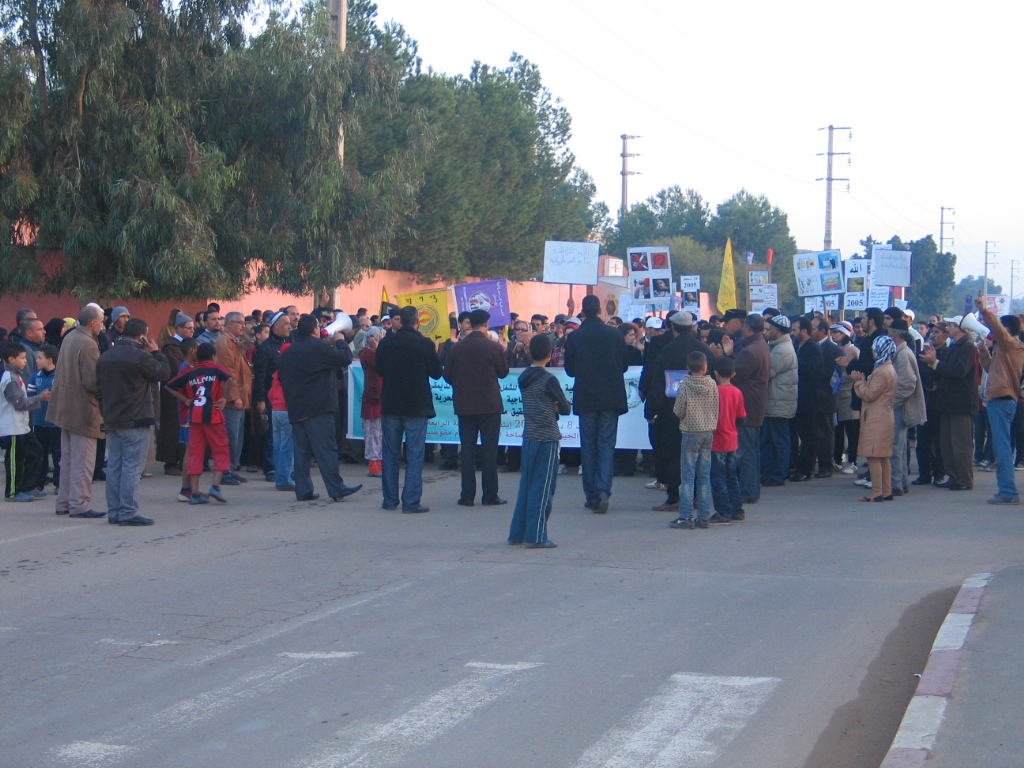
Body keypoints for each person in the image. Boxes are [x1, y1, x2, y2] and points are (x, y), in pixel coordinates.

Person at [277, 315, 362, 503]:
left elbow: (281, 377)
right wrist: (340, 342)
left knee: (301, 452)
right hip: (319, 407)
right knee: (326, 450)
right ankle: (336, 488)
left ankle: (303, 490)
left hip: (297, 408)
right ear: (315, 329)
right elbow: (346, 358)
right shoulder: (320, 347)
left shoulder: (289, 351)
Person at [96, 318, 171, 525]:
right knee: (131, 467)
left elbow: (99, 389)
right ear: (142, 336)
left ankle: (114, 511)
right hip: (136, 418)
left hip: (113, 418)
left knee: (115, 466)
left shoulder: (105, 357)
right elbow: (164, 372)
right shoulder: (141, 356)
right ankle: (128, 512)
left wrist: (105, 412)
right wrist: (156, 351)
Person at [563, 295, 628, 514]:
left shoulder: (575, 337)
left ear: (583, 311)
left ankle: (591, 495)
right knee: (606, 444)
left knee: (588, 445)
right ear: (600, 310)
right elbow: (624, 365)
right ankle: (603, 492)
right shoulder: (615, 334)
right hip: (611, 396)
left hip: (587, 396)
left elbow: (570, 370)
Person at [375, 305, 442, 513]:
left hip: (391, 403)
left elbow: (380, 370)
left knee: (390, 453)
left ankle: (390, 500)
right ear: (417, 321)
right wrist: (436, 352)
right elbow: (436, 373)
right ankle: (411, 501)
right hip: (416, 405)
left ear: (400, 321)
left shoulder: (386, 343)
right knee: (414, 454)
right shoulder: (424, 343)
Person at [507, 334, 571, 548]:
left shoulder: (523, 377)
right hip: (547, 437)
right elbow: (565, 407)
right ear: (550, 354)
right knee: (543, 488)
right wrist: (556, 405)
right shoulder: (549, 379)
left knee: (526, 485)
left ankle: (517, 532)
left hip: (529, 435)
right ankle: (536, 535)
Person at [443, 309, 510, 506]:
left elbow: (447, 376)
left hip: (465, 405)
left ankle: (467, 495)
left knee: (468, 450)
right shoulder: (493, 346)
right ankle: (490, 495)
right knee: (489, 450)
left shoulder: (457, 348)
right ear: (486, 324)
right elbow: (503, 373)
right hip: (489, 405)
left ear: (470, 324)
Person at [48, 304, 105, 519]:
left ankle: (64, 502)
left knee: (68, 460)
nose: (102, 325)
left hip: (65, 406)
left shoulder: (70, 338)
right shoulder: (88, 344)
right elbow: (92, 381)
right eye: (101, 321)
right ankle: (80, 504)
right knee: (83, 461)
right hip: (83, 408)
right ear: (92, 322)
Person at [165, 343, 235, 505]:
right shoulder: (217, 369)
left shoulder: (191, 372)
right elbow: (230, 378)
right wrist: (224, 397)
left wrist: (185, 400)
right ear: (213, 357)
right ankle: (215, 486)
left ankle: (194, 492)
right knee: (221, 449)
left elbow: (169, 386)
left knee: (195, 452)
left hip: (195, 415)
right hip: (214, 415)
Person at [920, 315, 979, 491]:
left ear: (961, 328)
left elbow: (960, 371)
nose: (948, 328)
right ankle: (954, 476)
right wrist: (934, 363)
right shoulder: (955, 346)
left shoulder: (968, 346)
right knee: (947, 443)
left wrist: (936, 362)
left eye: (952, 325)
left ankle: (964, 479)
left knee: (961, 444)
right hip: (948, 402)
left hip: (960, 403)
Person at [975, 299, 1024, 504]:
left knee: (1002, 446)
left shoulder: (1010, 345)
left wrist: (985, 311)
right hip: (1002, 397)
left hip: (1002, 399)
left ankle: (1008, 492)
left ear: (1006, 329)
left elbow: (998, 330)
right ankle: (1006, 489)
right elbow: (990, 369)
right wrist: (983, 351)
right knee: (1001, 445)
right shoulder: (1005, 349)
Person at [670, 351, 719, 530]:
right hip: (708, 431)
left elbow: (678, 410)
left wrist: (685, 415)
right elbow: (716, 406)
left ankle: (686, 516)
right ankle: (704, 516)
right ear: (705, 367)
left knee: (688, 477)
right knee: (704, 476)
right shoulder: (712, 384)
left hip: (691, 431)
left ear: (688, 368)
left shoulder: (685, 385)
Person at [728, 315, 770, 503]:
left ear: (749, 329)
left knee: (745, 451)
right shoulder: (760, 346)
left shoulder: (751, 350)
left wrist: (722, 357)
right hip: (755, 404)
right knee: (751, 449)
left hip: (747, 405)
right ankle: (750, 489)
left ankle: (747, 491)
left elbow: (734, 374)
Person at [851, 336, 898, 502]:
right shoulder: (887, 368)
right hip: (884, 415)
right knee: (883, 456)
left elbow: (869, 394)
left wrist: (858, 382)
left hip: (876, 419)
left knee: (873, 455)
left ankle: (877, 492)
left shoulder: (881, 371)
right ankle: (886, 491)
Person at [1, 342, 49, 502]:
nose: (25, 361)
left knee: (36, 452)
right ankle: (12, 492)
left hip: (21, 426)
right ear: (10, 359)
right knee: (15, 460)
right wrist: (39, 398)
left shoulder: (16, 375)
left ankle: (28, 486)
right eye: (22, 358)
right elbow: (19, 403)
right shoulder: (9, 379)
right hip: (12, 427)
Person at [888, 319, 926, 496]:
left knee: (896, 446)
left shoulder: (903, 354)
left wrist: (893, 402)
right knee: (900, 446)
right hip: (901, 405)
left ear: (895, 334)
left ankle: (896, 483)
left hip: (900, 406)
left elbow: (908, 382)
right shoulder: (902, 352)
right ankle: (900, 481)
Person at [252, 311, 291, 482]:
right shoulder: (265, 348)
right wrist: (260, 399)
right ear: (275, 326)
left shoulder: (289, 344)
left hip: (286, 396)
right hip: (269, 396)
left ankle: (285, 468)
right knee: (271, 435)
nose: (289, 326)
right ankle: (270, 467)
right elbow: (260, 376)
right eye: (285, 324)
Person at [215, 312, 253, 486]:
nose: (243, 326)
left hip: (241, 398)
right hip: (232, 399)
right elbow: (228, 371)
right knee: (230, 436)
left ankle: (232, 468)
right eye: (240, 323)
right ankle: (225, 471)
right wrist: (235, 396)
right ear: (229, 324)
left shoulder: (234, 342)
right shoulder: (224, 342)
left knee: (237, 437)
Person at [709, 356, 747, 525]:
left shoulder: (714, 392)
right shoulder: (737, 392)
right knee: (732, 476)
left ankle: (723, 511)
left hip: (716, 440)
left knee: (718, 477)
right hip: (732, 439)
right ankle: (737, 509)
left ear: (715, 373)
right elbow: (742, 418)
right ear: (733, 374)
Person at [760, 315, 797, 487]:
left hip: (779, 402)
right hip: (775, 400)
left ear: (777, 330)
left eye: (768, 329)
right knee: (770, 440)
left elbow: (766, 373)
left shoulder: (782, 350)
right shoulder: (777, 347)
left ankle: (779, 473)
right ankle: (769, 471)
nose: (765, 332)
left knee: (779, 441)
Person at [157, 313, 194, 476]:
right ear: (178, 328)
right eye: (188, 328)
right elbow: (174, 369)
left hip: (187, 392)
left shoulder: (190, 344)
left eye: (193, 328)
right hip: (173, 393)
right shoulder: (171, 347)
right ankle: (170, 462)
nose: (192, 331)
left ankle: (183, 460)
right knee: (172, 427)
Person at [830, 322, 861, 473]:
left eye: (836, 332)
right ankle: (837, 458)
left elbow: (855, 373)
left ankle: (852, 460)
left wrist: (845, 370)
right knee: (838, 429)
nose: (833, 335)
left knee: (852, 430)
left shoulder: (852, 350)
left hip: (849, 394)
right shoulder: (834, 349)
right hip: (837, 395)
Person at [30, 344, 60, 494]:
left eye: (39, 358)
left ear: (50, 360)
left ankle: (59, 483)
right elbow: (29, 396)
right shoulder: (35, 376)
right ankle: (38, 483)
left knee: (58, 454)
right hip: (39, 422)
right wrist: (39, 398)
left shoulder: (61, 375)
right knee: (40, 453)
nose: (36, 360)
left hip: (56, 422)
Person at [359, 326, 385, 478]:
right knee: (372, 431)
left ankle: (380, 460)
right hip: (373, 396)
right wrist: (377, 347)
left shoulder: (378, 352)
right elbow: (379, 363)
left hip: (383, 395)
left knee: (381, 431)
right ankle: (373, 462)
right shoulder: (366, 354)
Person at [17, 317, 46, 383]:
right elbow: (27, 380)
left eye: (43, 329)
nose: (44, 332)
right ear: (29, 333)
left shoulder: (41, 347)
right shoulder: (24, 352)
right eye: (40, 329)